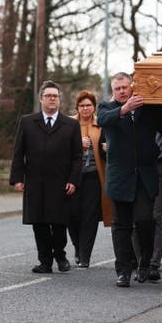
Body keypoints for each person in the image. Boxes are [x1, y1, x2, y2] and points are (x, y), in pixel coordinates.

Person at [98, 72, 162, 287]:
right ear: (113, 90)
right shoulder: (107, 109)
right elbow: (102, 120)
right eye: (117, 88)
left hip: (145, 177)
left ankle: (145, 262)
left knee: (146, 221)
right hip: (120, 178)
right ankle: (123, 271)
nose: (121, 91)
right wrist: (124, 109)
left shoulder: (148, 108)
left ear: (132, 87)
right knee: (121, 226)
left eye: (125, 87)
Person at [10, 80, 82, 274]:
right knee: (39, 223)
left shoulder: (71, 124)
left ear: (59, 99)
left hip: (61, 183)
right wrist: (18, 178)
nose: (52, 98)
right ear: (41, 99)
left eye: (55, 96)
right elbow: (19, 152)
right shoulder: (27, 121)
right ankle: (45, 261)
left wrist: (74, 180)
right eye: (48, 95)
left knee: (59, 223)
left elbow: (77, 157)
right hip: (35, 182)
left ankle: (60, 255)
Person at [68, 91, 113, 268]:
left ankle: (85, 255)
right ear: (77, 107)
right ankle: (77, 248)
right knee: (72, 215)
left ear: (94, 107)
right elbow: (62, 148)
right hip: (73, 177)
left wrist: (108, 148)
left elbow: (109, 145)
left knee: (90, 217)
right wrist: (78, 144)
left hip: (94, 177)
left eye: (88, 105)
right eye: (82, 105)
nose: (85, 108)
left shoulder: (101, 124)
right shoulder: (69, 125)